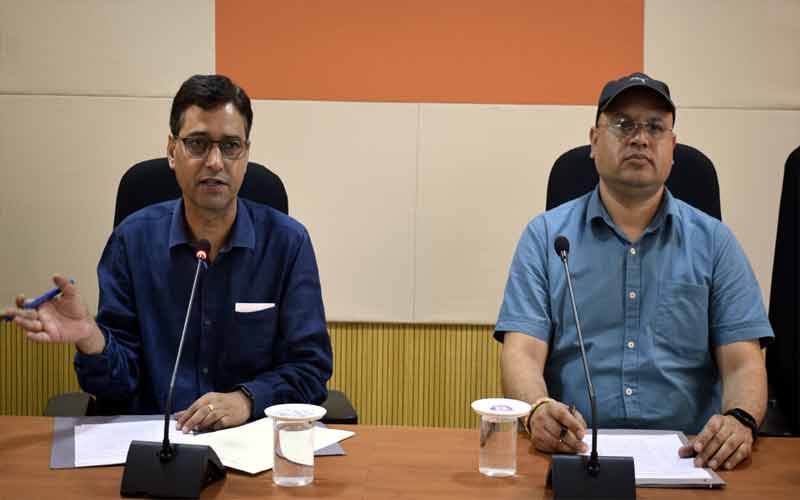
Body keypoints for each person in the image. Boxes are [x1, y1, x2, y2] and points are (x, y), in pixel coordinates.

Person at [4, 74, 332, 432]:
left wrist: (247, 399)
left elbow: (310, 369)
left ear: (246, 153)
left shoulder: (287, 243)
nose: (215, 161)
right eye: (198, 144)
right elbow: (116, 386)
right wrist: (90, 338)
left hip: (250, 441)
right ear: (172, 151)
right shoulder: (131, 242)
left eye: (230, 145)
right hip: (151, 440)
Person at [495, 72, 773, 471]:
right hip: (573, 452)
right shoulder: (546, 238)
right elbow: (521, 351)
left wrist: (739, 419)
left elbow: (744, 362)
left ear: (672, 148)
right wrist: (537, 408)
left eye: (655, 127)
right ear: (594, 141)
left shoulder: (715, 243)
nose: (640, 138)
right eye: (623, 125)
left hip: (693, 457)